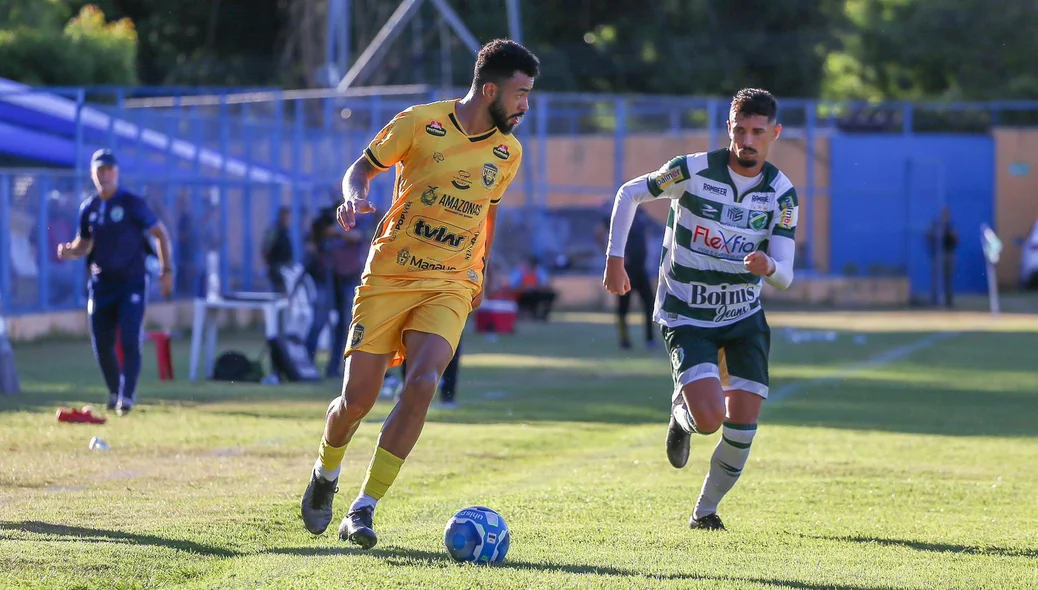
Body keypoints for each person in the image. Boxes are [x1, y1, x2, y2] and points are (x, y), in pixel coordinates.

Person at [299, 38, 539, 549]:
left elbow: (487, 211)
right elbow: (361, 168)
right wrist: (353, 198)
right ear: (490, 88)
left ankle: (363, 509)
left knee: (425, 380)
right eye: (520, 94)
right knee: (355, 400)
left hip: (450, 281)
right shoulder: (419, 122)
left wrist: (482, 270)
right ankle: (326, 473)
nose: (525, 106)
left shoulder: (509, 152)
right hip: (389, 276)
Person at [603, 89, 798, 531]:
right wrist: (614, 258)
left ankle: (705, 512)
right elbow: (630, 193)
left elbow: (785, 274)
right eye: (740, 130)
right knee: (709, 420)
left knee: (744, 423)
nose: (747, 140)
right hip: (687, 314)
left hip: (743, 316)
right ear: (729, 128)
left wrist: (769, 266)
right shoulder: (690, 170)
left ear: (774, 134)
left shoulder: (782, 194)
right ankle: (681, 416)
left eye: (758, 132)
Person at [56, 149, 174, 415]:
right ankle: (114, 391)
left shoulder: (132, 203)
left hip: (131, 282)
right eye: (100, 170)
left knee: (131, 339)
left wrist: (167, 271)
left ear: (117, 173)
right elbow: (84, 244)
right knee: (102, 342)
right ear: (93, 174)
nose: (105, 175)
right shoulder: (89, 208)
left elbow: (160, 234)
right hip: (101, 284)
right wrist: (69, 251)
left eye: (109, 170)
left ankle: (127, 396)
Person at [597, 207, 656, 349]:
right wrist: (611, 255)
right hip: (625, 270)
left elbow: (645, 235)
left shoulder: (642, 213)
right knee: (624, 306)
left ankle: (650, 339)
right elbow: (599, 233)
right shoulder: (619, 212)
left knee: (650, 303)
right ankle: (624, 341)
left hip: (641, 268)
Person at [508, 256, 557, 321]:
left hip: (536, 293)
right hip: (522, 294)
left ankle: (543, 316)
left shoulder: (539, 270)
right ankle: (526, 314)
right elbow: (513, 285)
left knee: (550, 295)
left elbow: (544, 283)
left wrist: (537, 287)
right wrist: (525, 287)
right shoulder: (519, 270)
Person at [928, 206, 958, 307]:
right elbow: (928, 237)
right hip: (939, 255)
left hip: (949, 254)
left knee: (948, 278)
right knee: (936, 278)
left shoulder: (950, 227)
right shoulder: (936, 226)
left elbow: (956, 240)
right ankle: (934, 300)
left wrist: (951, 235)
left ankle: (948, 301)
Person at [262, 207, 294, 293]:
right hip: (277, 267)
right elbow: (266, 249)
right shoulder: (275, 231)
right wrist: (271, 265)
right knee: (281, 292)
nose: (287, 220)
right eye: (285, 217)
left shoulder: (285, 231)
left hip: (285, 267)